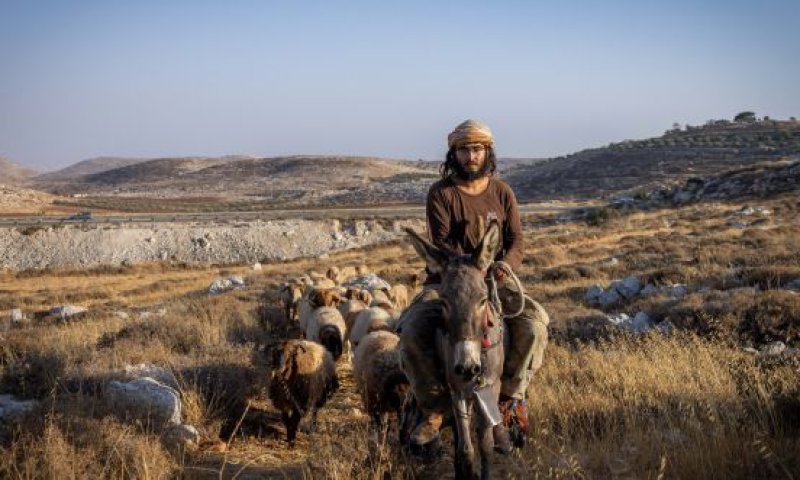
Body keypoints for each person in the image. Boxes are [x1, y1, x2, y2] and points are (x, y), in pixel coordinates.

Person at [398, 119, 550, 450]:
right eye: (464, 149)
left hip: (494, 278)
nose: (471, 156)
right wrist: (468, 270)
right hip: (448, 280)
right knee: (411, 330)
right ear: (454, 153)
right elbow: (441, 242)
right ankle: (433, 409)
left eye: (477, 149)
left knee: (535, 326)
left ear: (487, 152)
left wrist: (503, 267)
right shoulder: (441, 194)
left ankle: (509, 397)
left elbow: (517, 241)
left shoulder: (502, 192)